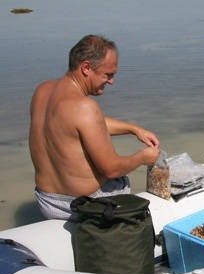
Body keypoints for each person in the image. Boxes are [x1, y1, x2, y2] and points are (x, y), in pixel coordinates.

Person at [29, 35, 161, 219]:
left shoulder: (42, 91)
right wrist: (142, 157)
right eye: (108, 74)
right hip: (84, 205)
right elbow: (111, 169)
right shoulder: (85, 107)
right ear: (86, 68)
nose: (112, 81)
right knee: (120, 178)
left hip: (46, 200)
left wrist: (133, 129)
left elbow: (79, 125)